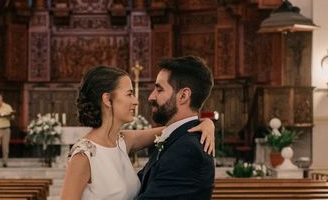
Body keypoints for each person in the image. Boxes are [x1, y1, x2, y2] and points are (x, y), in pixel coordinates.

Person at [60, 65, 214, 200]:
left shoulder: (122, 141)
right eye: (129, 94)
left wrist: (206, 123)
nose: (136, 101)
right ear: (107, 100)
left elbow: (175, 130)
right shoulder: (84, 156)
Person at [136, 56, 215, 200]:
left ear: (183, 95)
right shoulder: (176, 139)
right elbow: (138, 184)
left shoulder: (187, 150)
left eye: (159, 90)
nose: (151, 97)